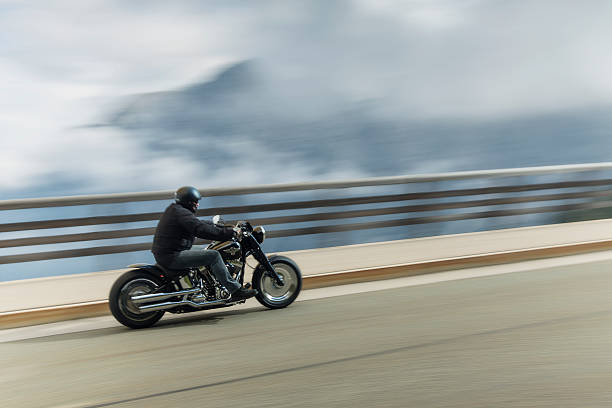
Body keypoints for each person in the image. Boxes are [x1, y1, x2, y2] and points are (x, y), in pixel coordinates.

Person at [152, 186, 256, 301]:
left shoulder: (176, 210)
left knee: (206, 249)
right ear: (189, 202)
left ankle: (208, 283)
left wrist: (214, 224)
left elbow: (196, 223)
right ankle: (235, 291)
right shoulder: (181, 213)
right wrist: (230, 233)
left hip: (170, 251)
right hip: (172, 255)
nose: (197, 205)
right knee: (214, 255)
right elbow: (199, 229)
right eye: (195, 202)